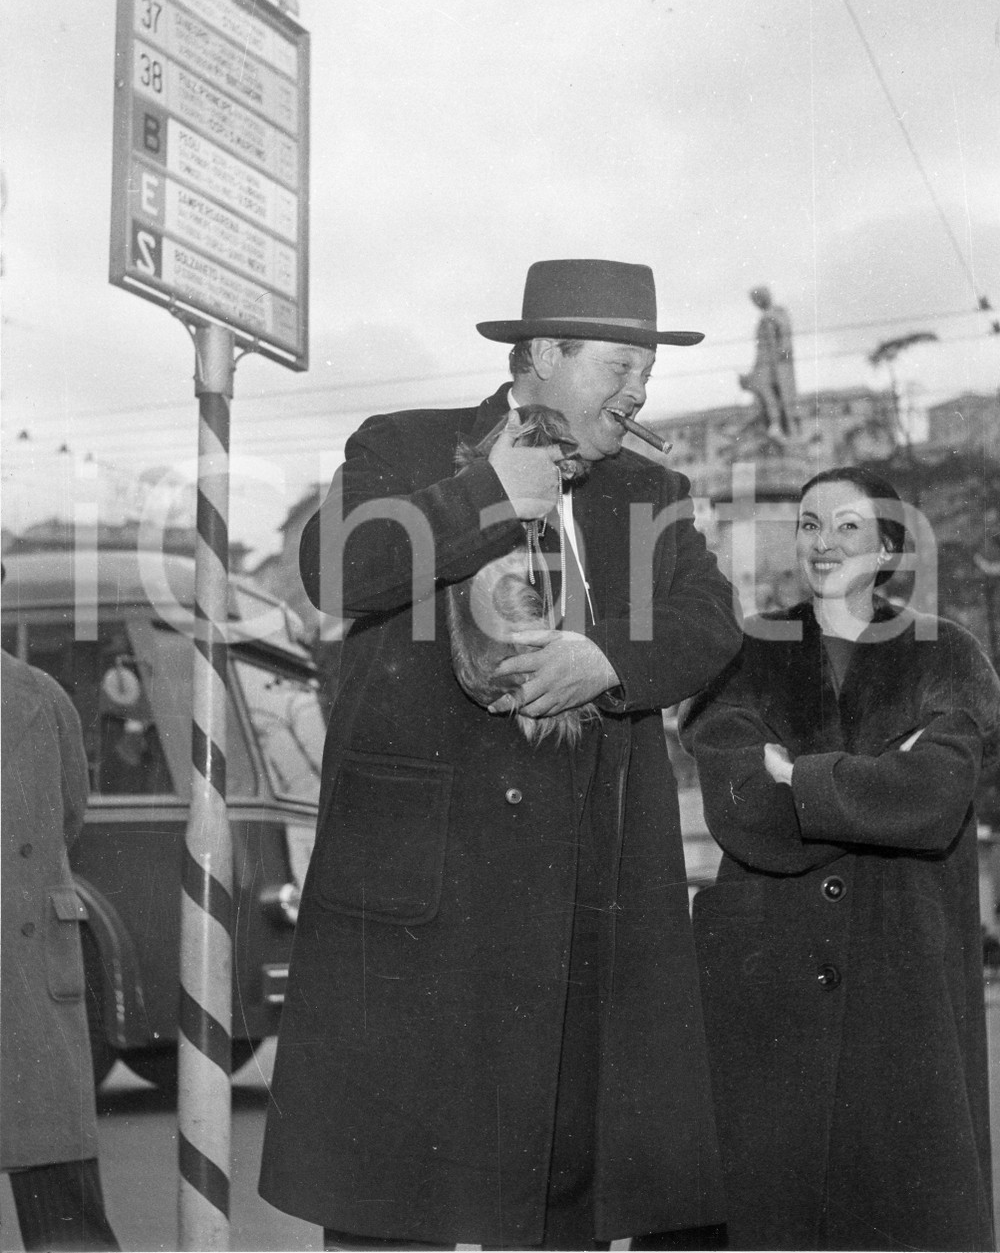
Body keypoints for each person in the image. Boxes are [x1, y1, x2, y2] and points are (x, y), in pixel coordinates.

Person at [259, 258, 742, 1250]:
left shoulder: (652, 489)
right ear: (542, 354)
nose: (637, 392)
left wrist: (608, 659)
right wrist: (489, 494)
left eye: (646, 371)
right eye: (618, 366)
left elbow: (711, 621)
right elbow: (334, 569)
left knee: (563, 1211)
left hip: (586, 909)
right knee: (396, 1212)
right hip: (424, 906)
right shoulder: (404, 446)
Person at [680, 465, 999, 1251]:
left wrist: (801, 776)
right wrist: (878, 779)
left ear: (888, 548)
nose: (823, 543)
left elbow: (936, 797)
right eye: (809, 524)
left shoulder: (946, 654)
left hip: (903, 984)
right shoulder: (744, 655)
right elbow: (743, 809)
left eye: (848, 526)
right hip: (768, 988)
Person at [1, 646, 121, 1252]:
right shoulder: (42, 695)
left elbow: (67, 818)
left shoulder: (42, 698)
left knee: (63, 1207)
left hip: (26, 966)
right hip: (29, 956)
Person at [738, 285, 796, 442]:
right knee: (763, 391)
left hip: (775, 363)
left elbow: (784, 336)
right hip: (764, 361)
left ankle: (776, 424)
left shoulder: (778, 313)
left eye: (757, 299)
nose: (756, 303)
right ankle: (771, 424)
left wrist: (782, 350)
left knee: (770, 391)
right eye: (754, 301)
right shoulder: (766, 317)